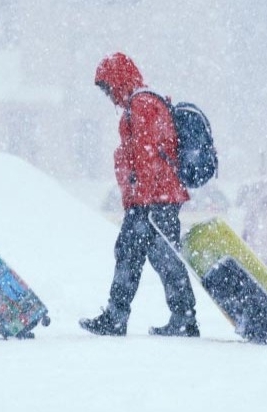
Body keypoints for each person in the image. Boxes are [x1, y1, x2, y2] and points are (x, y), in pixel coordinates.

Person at [80, 53, 199, 338]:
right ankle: (131, 316)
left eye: (109, 88)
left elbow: (148, 157)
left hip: (153, 201)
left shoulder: (142, 104)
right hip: (154, 198)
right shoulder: (142, 103)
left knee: (155, 257)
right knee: (137, 255)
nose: (109, 96)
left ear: (119, 80)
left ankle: (172, 317)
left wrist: (142, 200)